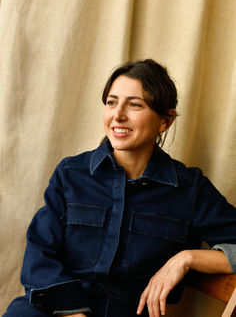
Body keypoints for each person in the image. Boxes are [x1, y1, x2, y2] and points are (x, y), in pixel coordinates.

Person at [3, 59, 236, 317]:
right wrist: (73, 314)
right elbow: (39, 253)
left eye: (135, 104)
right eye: (112, 102)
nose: (118, 115)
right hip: (52, 311)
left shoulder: (189, 189)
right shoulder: (71, 174)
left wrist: (186, 259)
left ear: (165, 121)